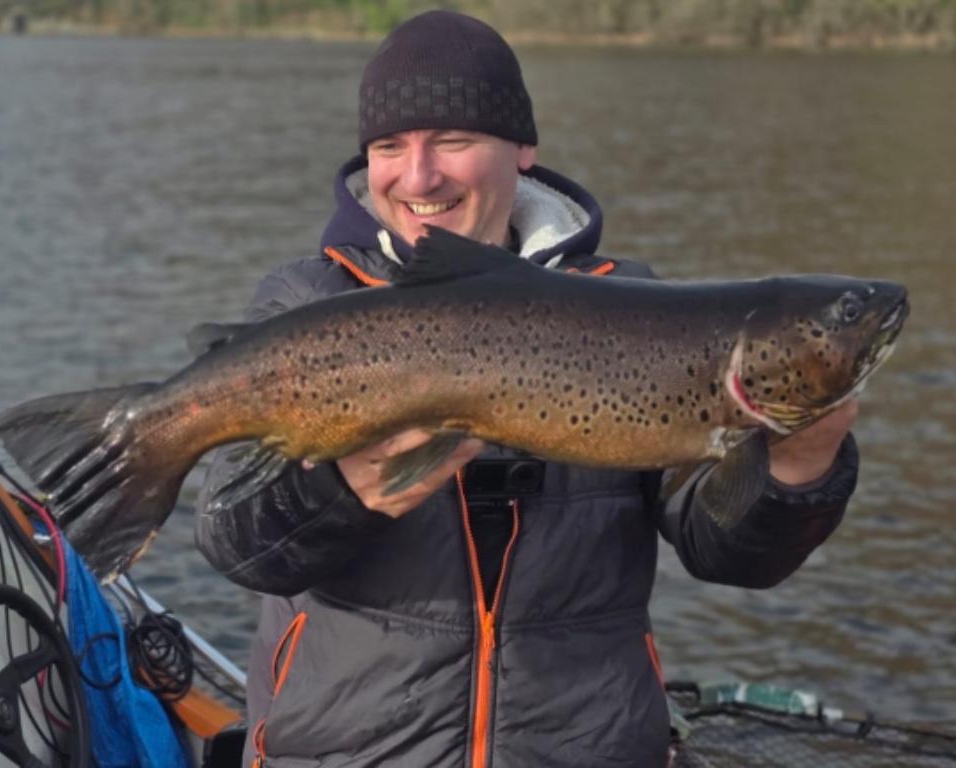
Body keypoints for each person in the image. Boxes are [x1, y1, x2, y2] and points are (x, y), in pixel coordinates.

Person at [196, 11, 859, 768]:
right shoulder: (306, 308)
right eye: (390, 146)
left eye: (453, 140)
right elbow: (235, 541)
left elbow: (731, 557)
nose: (419, 175)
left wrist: (800, 470)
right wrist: (343, 495)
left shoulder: (635, 315)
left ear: (523, 149)